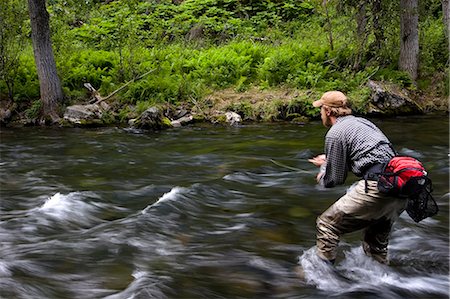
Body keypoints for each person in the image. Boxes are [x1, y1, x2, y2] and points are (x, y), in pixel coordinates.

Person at [308, 90, 406, 265]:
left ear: (328, 111)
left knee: (327, 224)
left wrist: (323, 173)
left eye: (321, 109)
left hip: (378, 187)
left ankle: (322, 278)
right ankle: (380, 279)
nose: (320, 113)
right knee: (375, 243)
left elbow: (334, 179)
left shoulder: (335, 133)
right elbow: (372, 156)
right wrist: (329, 159)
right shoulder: (362, 123)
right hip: (402, 186)